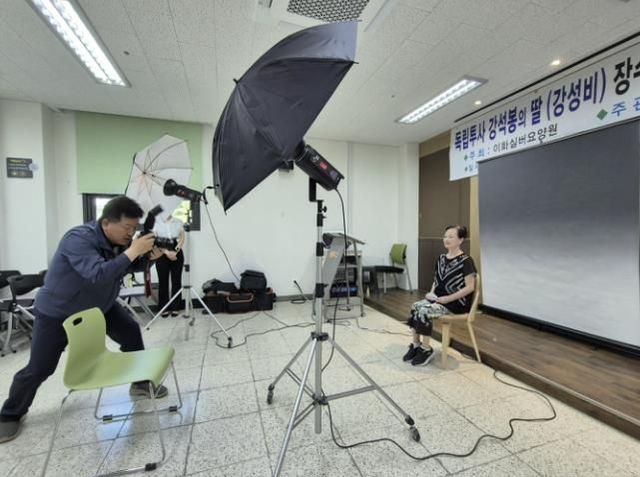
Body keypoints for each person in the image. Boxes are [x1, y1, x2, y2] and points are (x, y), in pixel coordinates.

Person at [0, 196, 167, 443]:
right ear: (106, 222)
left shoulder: (119, 242)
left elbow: (126, 266)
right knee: (41, 367)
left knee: (131, 332)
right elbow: (97, 274)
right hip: (58, 311)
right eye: (127, 227)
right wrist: (133, 251)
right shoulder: (78, 239)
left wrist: (149, 257)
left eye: (134, 228)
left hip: (100, 306)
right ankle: (9, 414)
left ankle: (141, 383)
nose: (131, 233)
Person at [403, 225, 477, 366]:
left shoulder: (466, 261)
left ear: (461, 240)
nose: (446, 239)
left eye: (451, 236)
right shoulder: (441, 258)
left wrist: (448, 299)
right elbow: (436, 281)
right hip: (439, 300)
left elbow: (470, 287)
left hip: (455, 304)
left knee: (423, 311)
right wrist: (431, 293)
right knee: (415, 306)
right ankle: (416, 345)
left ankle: (426, 349)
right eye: (445, 236)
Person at [153, 215, 185, 317]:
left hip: (176, 251)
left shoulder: (177, 221)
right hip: (161, 252)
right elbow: (156, 241)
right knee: (163, 281)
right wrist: (167, 253)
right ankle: (164, 307)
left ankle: (176, 307)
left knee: (176, 281)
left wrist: (175, 251)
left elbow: (182, 238)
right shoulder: (157, 223)